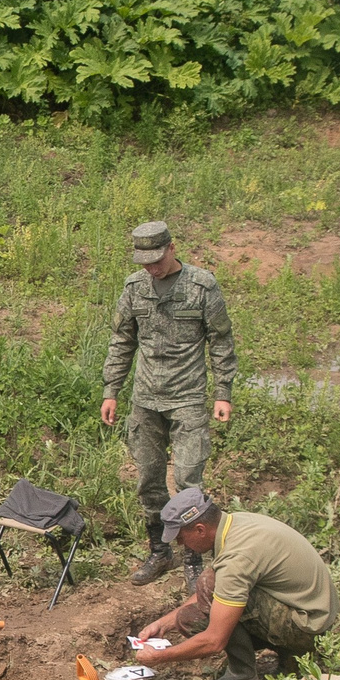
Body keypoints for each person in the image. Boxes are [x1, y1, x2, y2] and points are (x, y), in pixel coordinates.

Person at [100, 221, 238, 585]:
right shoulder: (134, 288)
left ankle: (193, 559)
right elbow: (122, 341)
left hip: (188, 397)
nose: (151, 268)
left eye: (157, 260)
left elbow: (221, 341)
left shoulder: (202, 286)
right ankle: (160, 552)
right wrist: (111, 390)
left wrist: (223, 392)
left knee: (189, 480)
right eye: (144, 262)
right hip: (145, 400)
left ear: (172, 248)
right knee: (149, 478)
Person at [133, 487, 339, 680]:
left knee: (207, 585)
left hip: (307, 626)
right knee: (189, 614)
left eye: (181, 537)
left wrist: (161, 657)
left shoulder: (237, 557)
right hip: (310, 612)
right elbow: (223, 587)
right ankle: (291, 658)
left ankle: (242, 678)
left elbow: (214, 640)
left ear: (200, 529)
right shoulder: (235, 524)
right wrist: (165, 623)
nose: (180, 544)